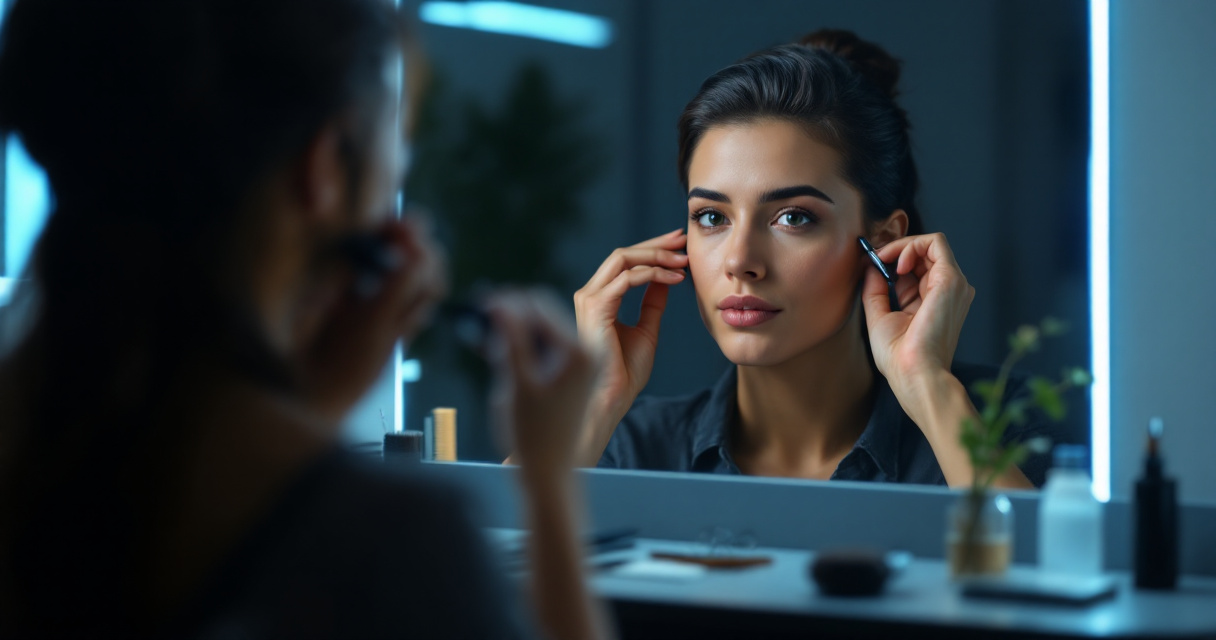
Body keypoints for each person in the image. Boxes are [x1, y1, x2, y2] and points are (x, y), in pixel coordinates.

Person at [0, 1, 610, 638]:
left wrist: (313, 408)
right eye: (398, 147)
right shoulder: (391, 544)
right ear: (322, 166)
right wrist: (549, 485)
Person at [574, 30, 1059, 488]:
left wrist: (929, 386)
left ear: (882, 240)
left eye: (793, 217)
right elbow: (501, 571)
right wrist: (595, 403)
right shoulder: (632, 450)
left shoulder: (989, 424)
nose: (740, 260)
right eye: (711, 217)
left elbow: (1040, 574)